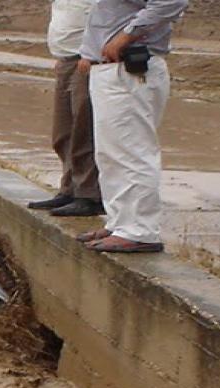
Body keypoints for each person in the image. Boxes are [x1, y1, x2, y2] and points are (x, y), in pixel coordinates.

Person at [76, 0, 188, 253]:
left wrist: (126, 35)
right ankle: (121, 224)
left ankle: (139, 230)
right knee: (111, 154)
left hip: (129, 70)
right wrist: (89, 52)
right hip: (111, 71)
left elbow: (173, 2)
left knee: (131, 151)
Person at [28, 0, 104, 217]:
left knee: (83, 130)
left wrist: (93, 55)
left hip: (87, 60)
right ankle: (69, 189)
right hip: (66, 60)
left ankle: (89, 195)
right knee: (63, 133)